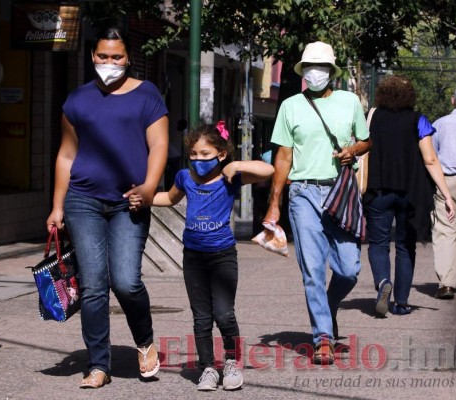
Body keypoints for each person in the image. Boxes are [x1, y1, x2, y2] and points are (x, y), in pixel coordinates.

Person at [46, 26, 168, 389]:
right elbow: (67, 154)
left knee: (127, 282)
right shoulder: (77, 100)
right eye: (103, 56)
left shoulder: (147, 95)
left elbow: (159, 145)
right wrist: (56, 206)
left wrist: (149, 188)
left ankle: (144, 340)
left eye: (117, 57)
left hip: (129, 202)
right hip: (82, 200)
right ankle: (98, 364)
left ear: (128, 58)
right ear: (92, 56)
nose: (109, 63)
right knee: (95, 286)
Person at [131, 121, 274, 391]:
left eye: (205, 154)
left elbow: (269, 170)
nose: (198, 159)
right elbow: (170, 199)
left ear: (221, 155)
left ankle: (231, 362)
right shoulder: (185, 177)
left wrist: (238, 165)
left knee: (224, 314)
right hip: (193, 258)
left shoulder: (231, 178)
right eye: (194, 154)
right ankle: (207, 367)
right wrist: (145, 197)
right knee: (201, 317)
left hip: (222, 257)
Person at [263, 41, 371, 365]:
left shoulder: (350, 101)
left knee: (349, 269)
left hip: (341, 191)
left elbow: (365, 140)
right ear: (303, 71)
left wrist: (353, 150)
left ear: (331, 72)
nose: (315, 72)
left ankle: (329, 304)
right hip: (303, 194)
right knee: (312, 268)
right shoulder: (291, 106)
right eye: (309, 66)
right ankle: (322, 337)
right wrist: (274, 203)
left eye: (321, 67)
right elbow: (283, 157)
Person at [364, 75, 455, 317]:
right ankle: (402, 302)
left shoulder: (371, 118)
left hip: (378, 189)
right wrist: (446, 194)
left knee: (378, 244)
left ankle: (383, 282)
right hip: (411, 192)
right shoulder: (418, 120)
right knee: (405, 247)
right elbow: (430, 159)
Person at [431, 85, 456, 299]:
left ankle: (447, 283)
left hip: (447, 183)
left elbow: (431, 157)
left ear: (453, 101)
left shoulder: (439, 124)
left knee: (446, 230)